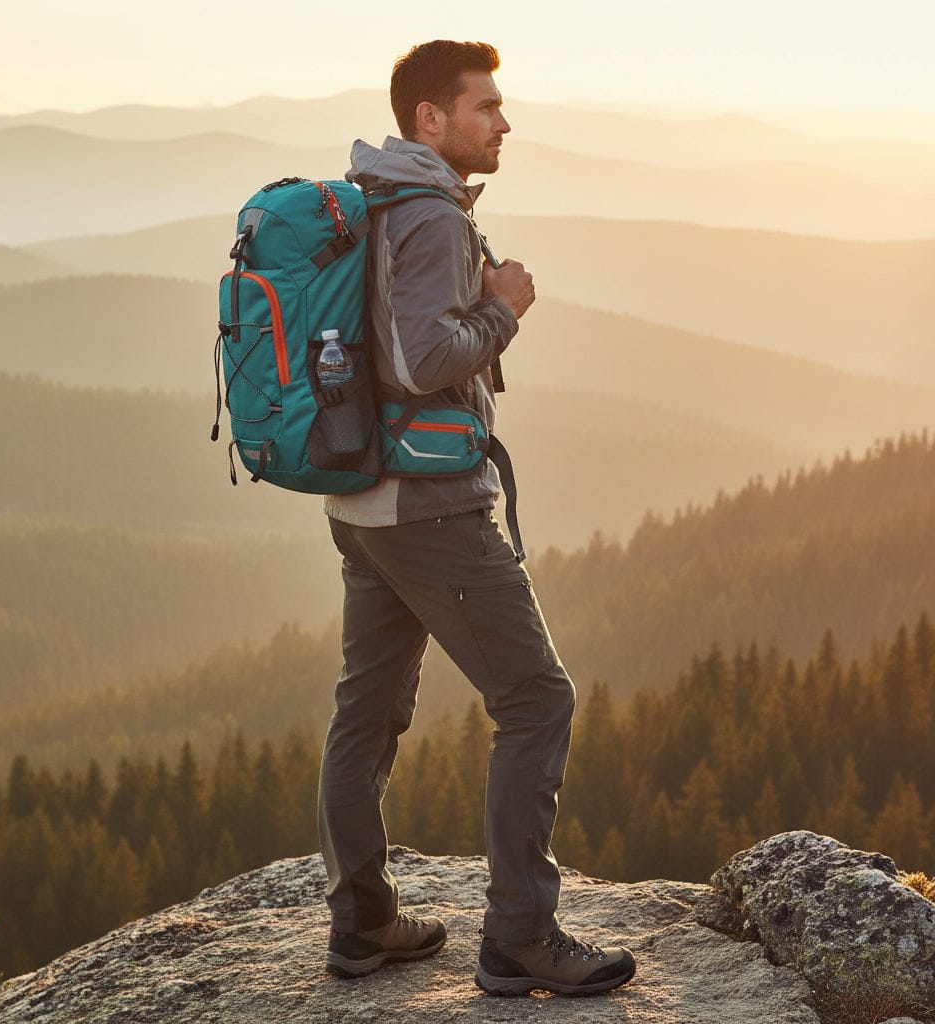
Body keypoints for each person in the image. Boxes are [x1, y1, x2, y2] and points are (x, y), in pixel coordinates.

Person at [317, 39, 636, 997]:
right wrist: (504, 311)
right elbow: (421, 360)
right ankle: (521, 941)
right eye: (485, 106)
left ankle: (364, 925)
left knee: (365, 711)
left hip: (364, 500)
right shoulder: (431, 214)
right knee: (538, 699)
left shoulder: (373, 195)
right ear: (431, 119)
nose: (503, 122)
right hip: (431, 508)